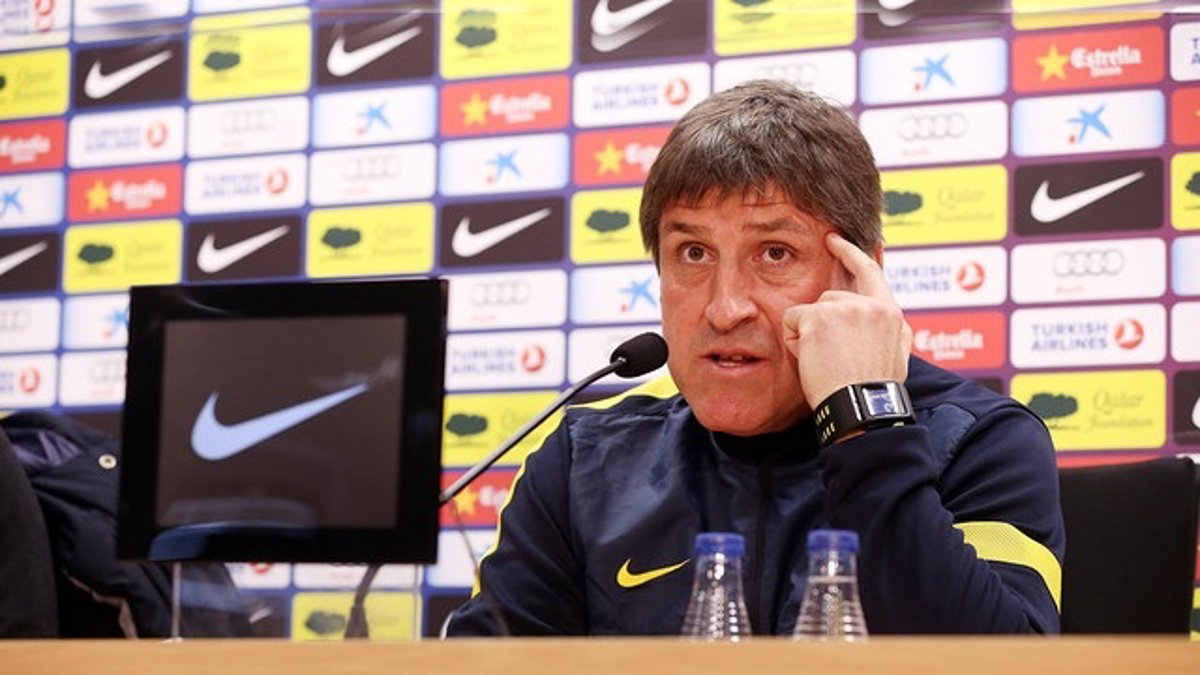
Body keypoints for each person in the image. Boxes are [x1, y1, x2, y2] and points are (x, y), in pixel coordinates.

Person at [446, 80, 1064, 636]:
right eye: (693, 254)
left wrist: (866, 425)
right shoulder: (585, 463)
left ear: (861, 277)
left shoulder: (980, 443)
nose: (725, 309)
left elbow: (1004, 663)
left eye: (774, 253)